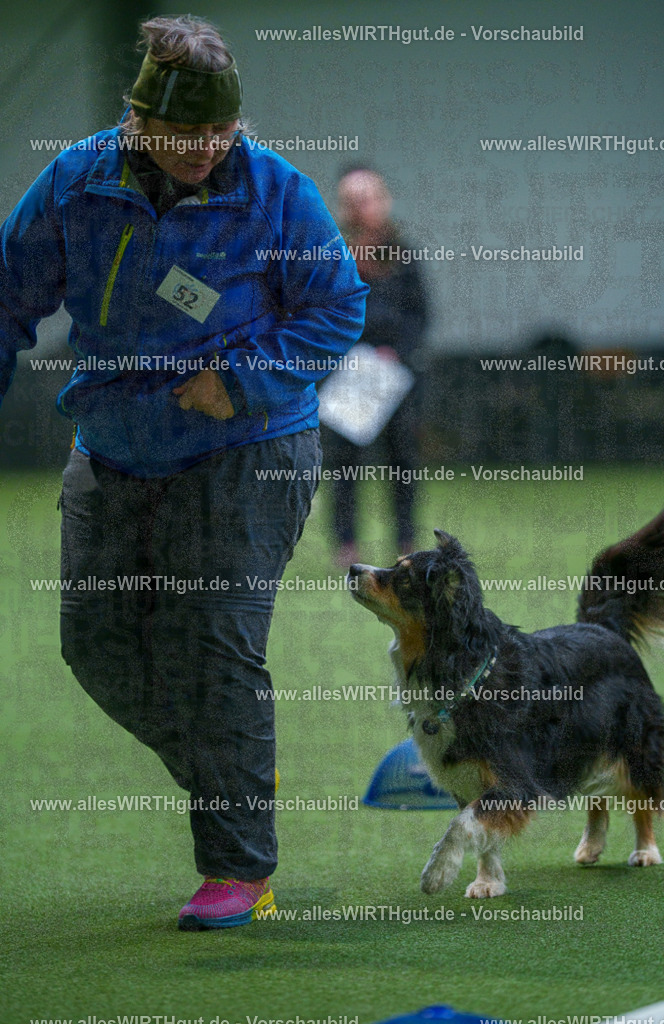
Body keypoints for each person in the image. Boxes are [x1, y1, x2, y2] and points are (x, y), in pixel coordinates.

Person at [0, 16, 367, 929]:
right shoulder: (77, 184)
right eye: (185, 134)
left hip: (250, 447)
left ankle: (239, 871)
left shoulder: (275, 191)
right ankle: (233, 770)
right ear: (138, 123)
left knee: (212, 646)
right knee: (97, 644)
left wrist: (239, 382)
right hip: (116, 443)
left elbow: (335, 308)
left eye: (221, 133)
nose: (206, 150)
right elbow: (8, 298)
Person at [327, 167, 429, 565]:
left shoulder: (404, 256)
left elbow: (421, 315)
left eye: (368, 198)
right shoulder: (331, 253)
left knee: (403, 459)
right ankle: (346, 544)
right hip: (347, 373)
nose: (361, 208)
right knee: (344, 462)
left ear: (383, 200)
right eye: (352, 200)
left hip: (395, 375)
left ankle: (405, 542)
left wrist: (396, 352)